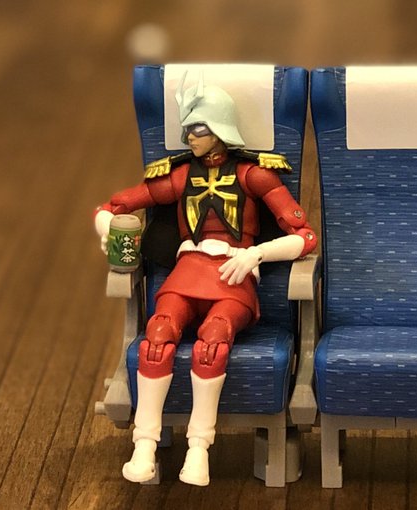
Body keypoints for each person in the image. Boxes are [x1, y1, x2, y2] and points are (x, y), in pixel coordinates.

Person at [94, 77, 316, 486]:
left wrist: (256, 254)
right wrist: (107, 225)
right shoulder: (180, 177)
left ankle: (199, 447)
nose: (189, 138)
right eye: (187, 130)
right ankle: (144, 445)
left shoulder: (255, 176)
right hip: (186, 273)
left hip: (233, 276)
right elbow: (115, 205)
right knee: (157, 336)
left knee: (213, 342)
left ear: (219, 129)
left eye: (197, 128)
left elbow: (305, 236)